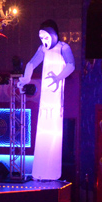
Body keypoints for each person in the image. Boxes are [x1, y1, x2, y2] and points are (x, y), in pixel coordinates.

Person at [19, 20, 74, 180]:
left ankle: (51, 170)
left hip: (55, 96)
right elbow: (31, 64)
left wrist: (58, 77)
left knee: (53, 128)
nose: (43, 41)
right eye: (41, 38)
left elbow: (71, 65)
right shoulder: (42, 49)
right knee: (43, 127)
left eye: (46, 37)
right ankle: (40, 170)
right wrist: (26, 78)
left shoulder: (63, 47)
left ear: (53, 35)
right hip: (45, 95)